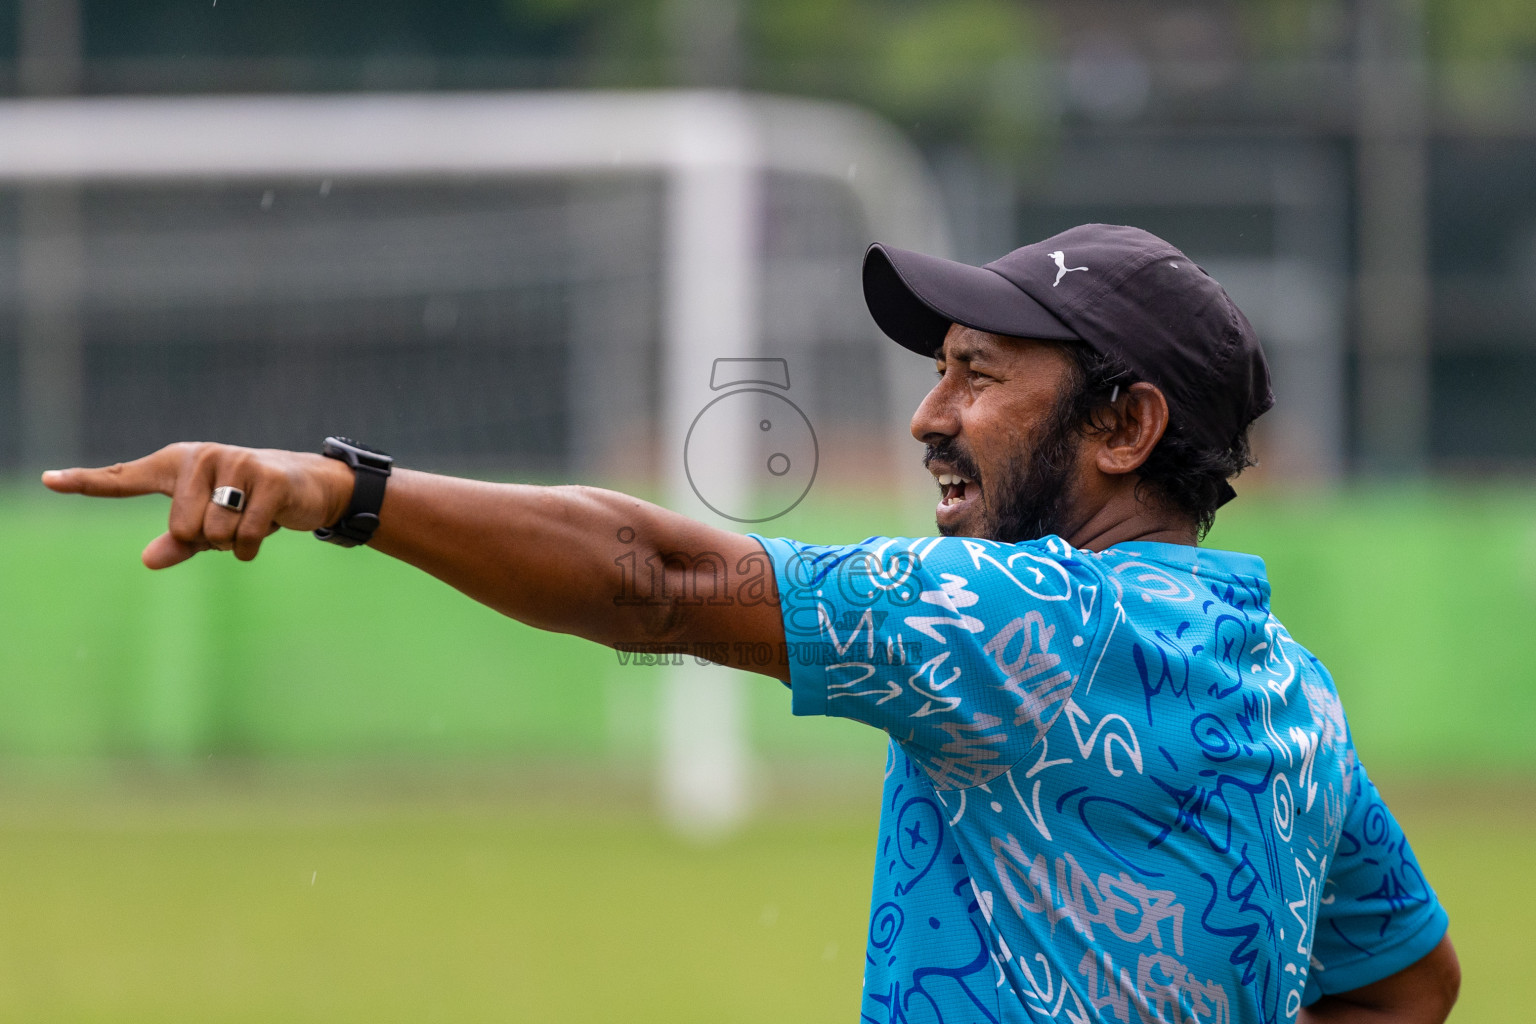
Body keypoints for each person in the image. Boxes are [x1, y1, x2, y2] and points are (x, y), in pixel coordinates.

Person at [44, 224, 1458, 1023]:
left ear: (1126, 425)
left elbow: (655, 583)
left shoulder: (1021, 618)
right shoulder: (1294, 691)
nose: (928, 413)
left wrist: (334, 489)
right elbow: (1410, 985)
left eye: (977, 372)